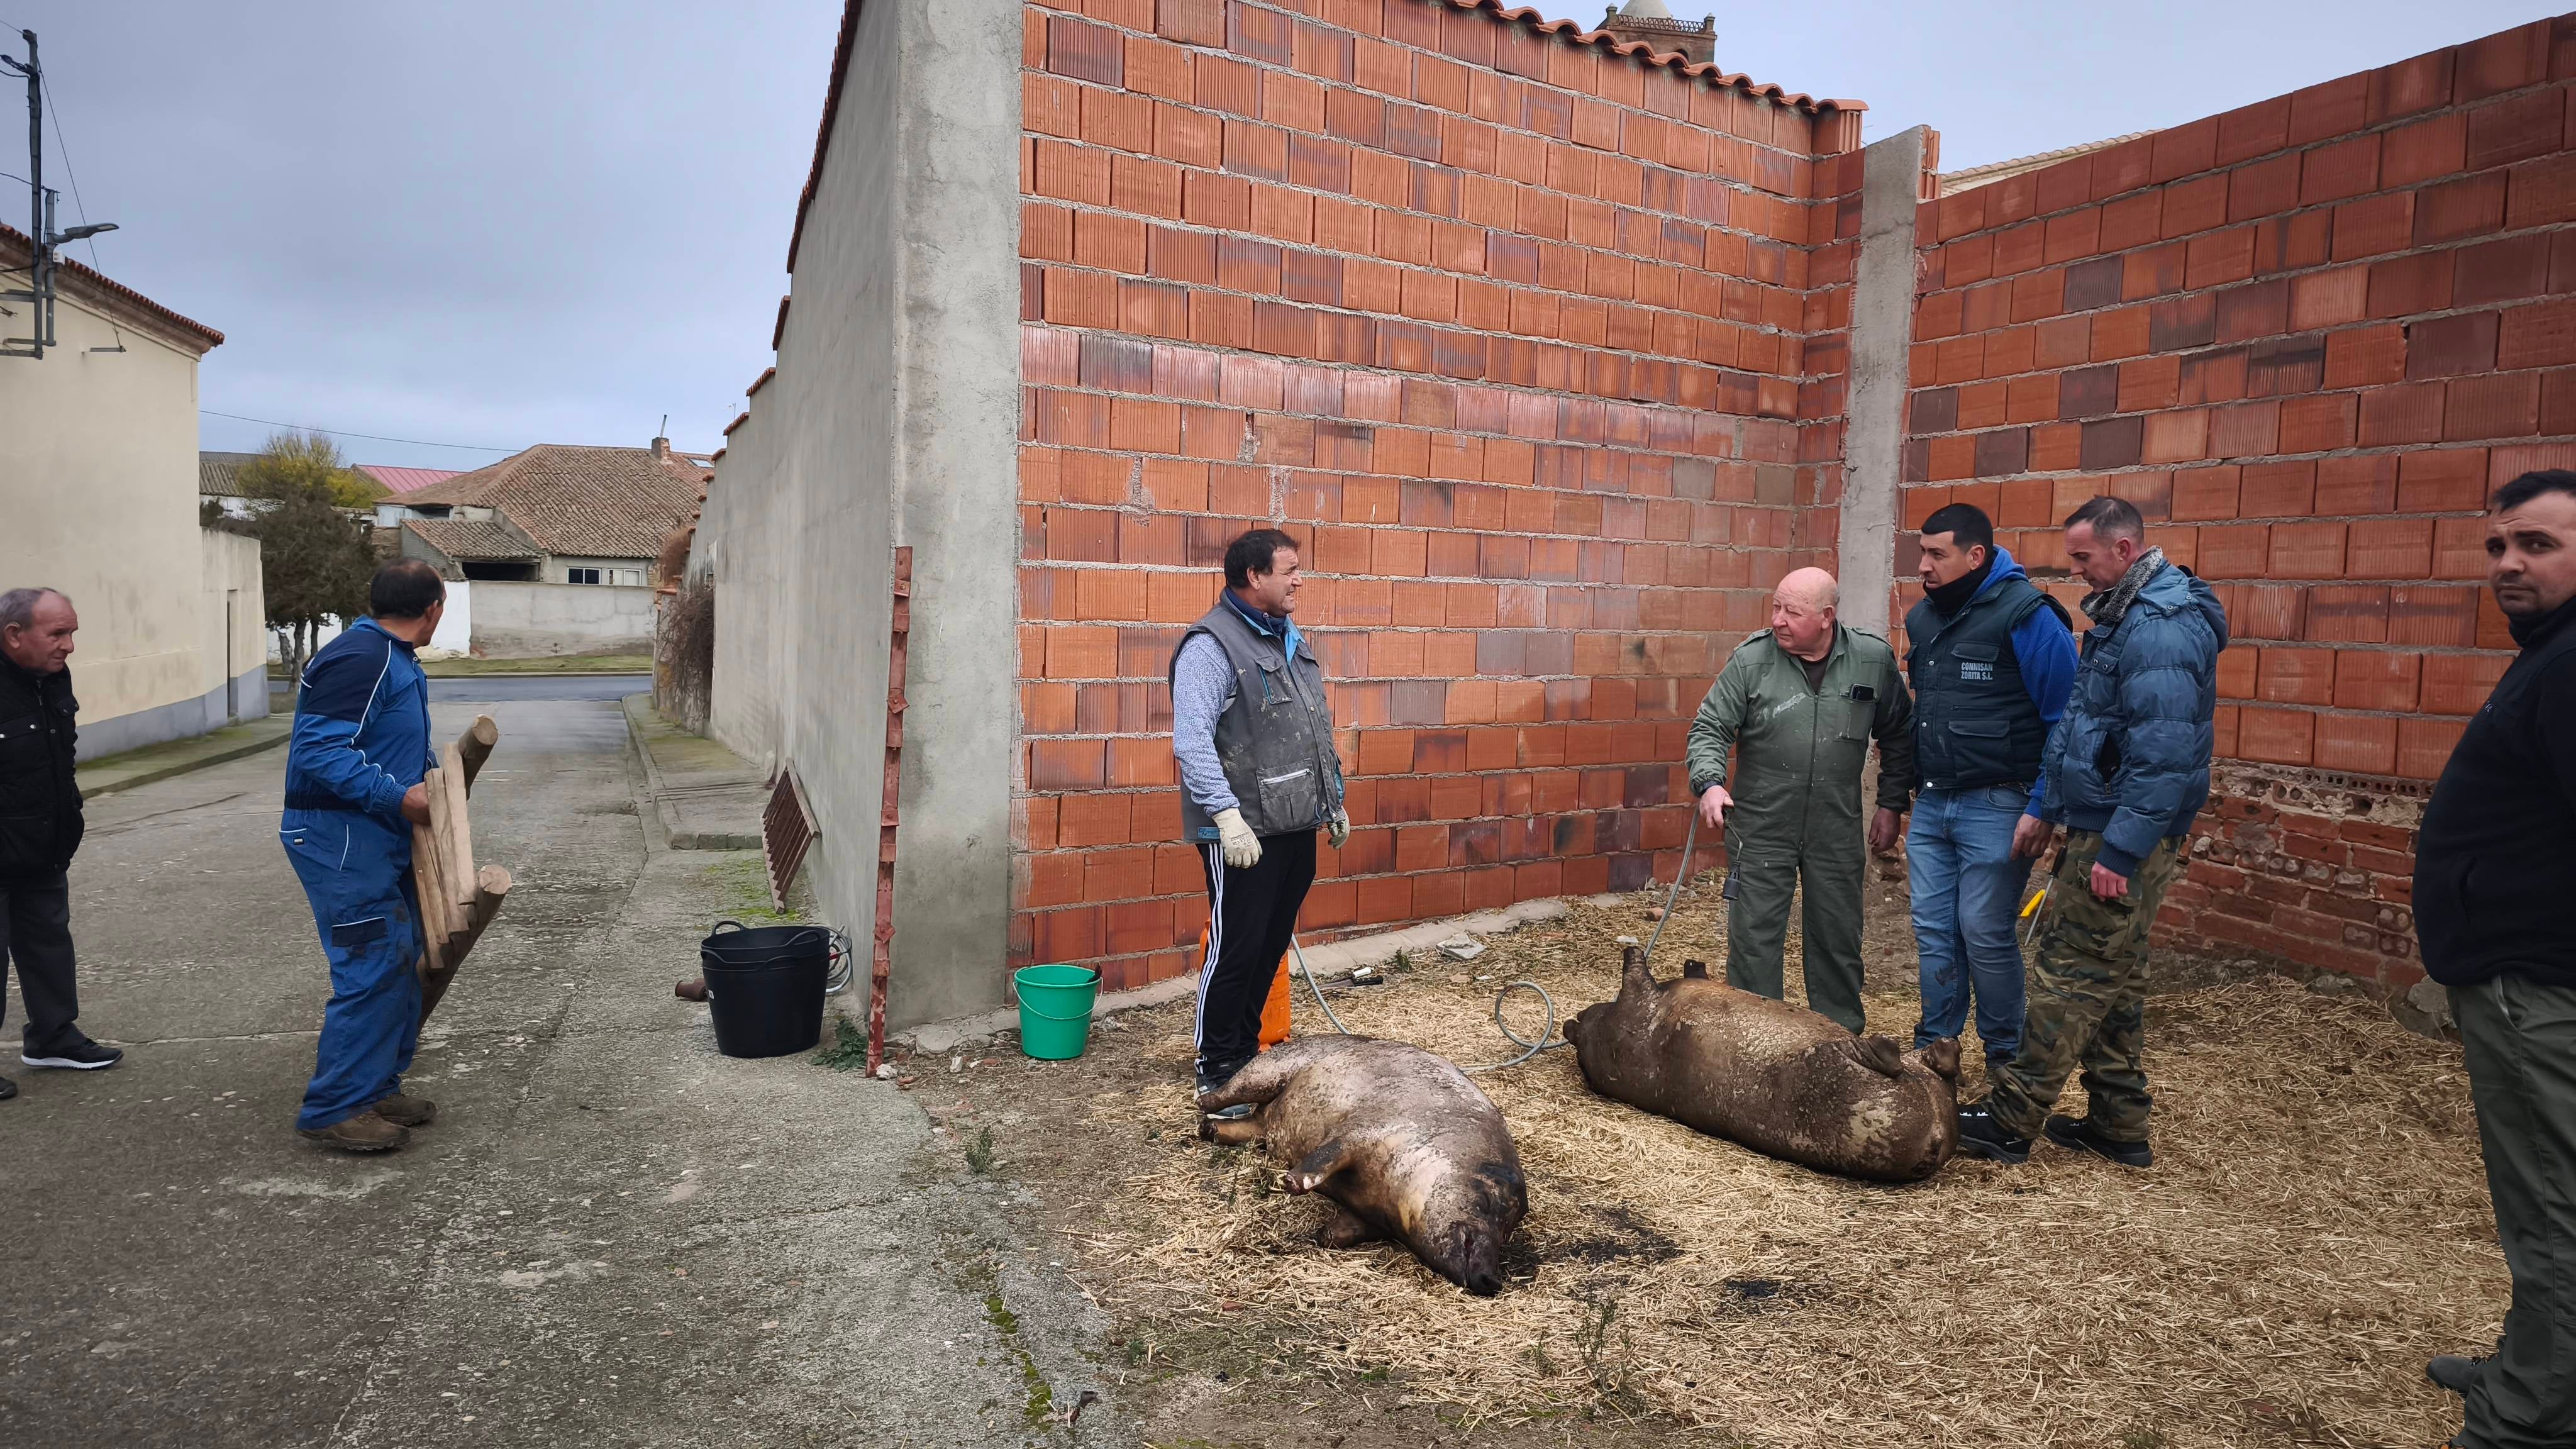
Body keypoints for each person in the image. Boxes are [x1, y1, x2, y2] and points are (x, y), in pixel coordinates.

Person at [1957, 496, 2224, 1168]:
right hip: (2100, 820)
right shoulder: (2123, 614)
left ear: (2123, 550)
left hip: (2120, 831)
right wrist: (2046, 806)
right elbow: (2081, 724)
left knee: (2071, 969)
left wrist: (2122, 849)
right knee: (2116, 972)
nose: (2074, 570)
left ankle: (2010, 1119)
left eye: (2082, 557)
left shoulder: (2160, 629)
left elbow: (2164, 755)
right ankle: (2119, 1122)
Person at [2411, 469, 2576, 1446]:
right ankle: (2531, 1366)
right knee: (2542, 1200)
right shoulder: (2552, 652)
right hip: (2524, 978)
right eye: (2499, 546)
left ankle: (2528, 1417)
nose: (2509, 564)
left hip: (2538, 986)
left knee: (2552, 1209)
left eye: (2538, 545)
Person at [1684, 567, 1914, 1035]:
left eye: (1792, 612)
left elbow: (1900, 734)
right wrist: (1709, 783)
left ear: (1827, 617)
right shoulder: (1752, 660)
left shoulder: (1871, 660)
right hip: (1761, 823)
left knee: (1837, 936)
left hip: (1836, 824)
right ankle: (1757, 1040)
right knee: (1754, 938)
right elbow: (1709, 727)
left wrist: (1891, 805)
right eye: (1776, 607)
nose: (1778, 620)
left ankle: (1838, 1040)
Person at [1169, 528, 1346, 1116]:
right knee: (1236, 947)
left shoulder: (1288, 638)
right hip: (1242, 831)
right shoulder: (1211, 646)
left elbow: (1310, 728)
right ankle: (1218, 1071)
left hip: (1294, 822)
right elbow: (1192, 740)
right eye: (1289, 571)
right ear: (1254, 576)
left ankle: (1247, 1055)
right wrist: (1225, 816)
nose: (1300, 581)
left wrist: (1333, 800)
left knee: (1269, 946)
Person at [1902, 504, 2076, 1070]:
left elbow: (2065, 721)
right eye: (1922, 552)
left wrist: (2043, 805)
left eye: (1937, 554)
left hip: (2000, 803)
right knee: (1934, 930)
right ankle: (1936, 1051)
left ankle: (2006, 1061)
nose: (1923, 565)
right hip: (1935, 802)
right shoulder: (1924, 618)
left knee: (1983, 930)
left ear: (1975, 556)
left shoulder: (2028, 616)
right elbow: (1922, 712)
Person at [280, 560, 444, 1152]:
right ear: (434, 609)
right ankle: (337, 1106)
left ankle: (374, 1088)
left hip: (374, 837)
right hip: (343, 840)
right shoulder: (363, 657)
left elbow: (383, 743)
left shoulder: (391, 656)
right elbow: (319, 750)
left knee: (401, 956)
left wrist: (430, 779)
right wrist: (400, 798)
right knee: (372, 962)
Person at [0, 587, 122, 1099]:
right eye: (57, 634)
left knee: (48, 940)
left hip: (43, 843)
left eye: (71, 633)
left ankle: (53, 1036)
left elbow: (59, 757)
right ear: (14, 635)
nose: (69, 645)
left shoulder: (51, 678)